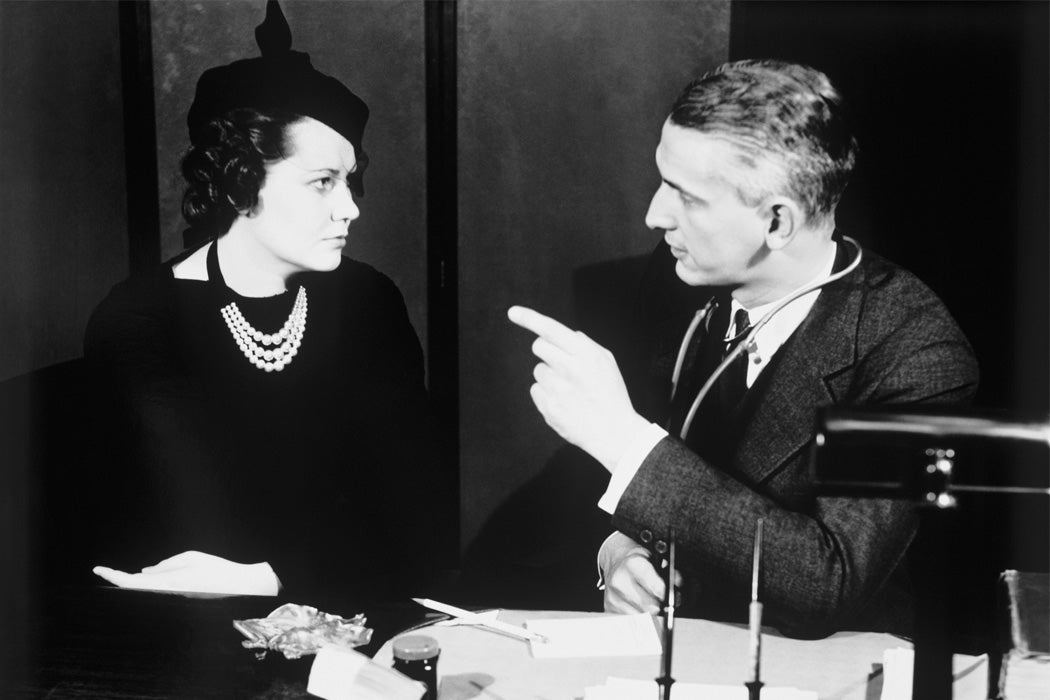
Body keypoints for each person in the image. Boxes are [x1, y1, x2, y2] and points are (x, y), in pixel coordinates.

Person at [508, 59, 978, 637]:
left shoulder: (914, 349)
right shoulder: (679, 276)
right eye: (662, 181)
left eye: (687, 197)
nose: (655, 216)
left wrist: (622, 438)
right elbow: (618, 477)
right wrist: (616, 552)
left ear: (778, 222)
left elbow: (827, 583)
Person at [84, 2, 444, 600]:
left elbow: (413, 512)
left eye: (350, 180)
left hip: (351, 615)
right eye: (322, 181)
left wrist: (271, 574)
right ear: (240, 181)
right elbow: (164, 526)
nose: (350, 206)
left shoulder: (369, 302)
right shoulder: (139, 320)